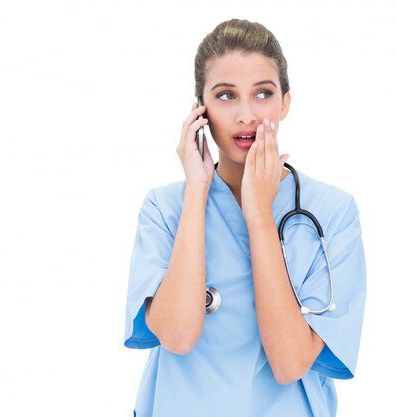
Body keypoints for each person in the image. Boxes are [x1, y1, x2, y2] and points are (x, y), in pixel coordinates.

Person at [124, 18, 367, 417]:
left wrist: (258, 216)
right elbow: (178, 336)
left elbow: (290, 364)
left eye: (263, 93)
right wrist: (197, 192)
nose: (245, 115)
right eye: (225, 96)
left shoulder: (333, 213)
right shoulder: (164, 209)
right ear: (199, 109)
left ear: (285, 103)